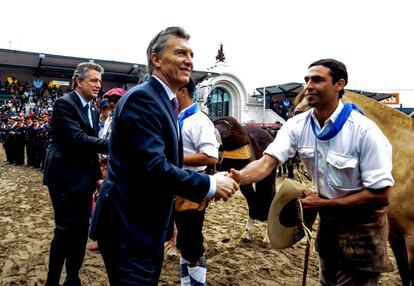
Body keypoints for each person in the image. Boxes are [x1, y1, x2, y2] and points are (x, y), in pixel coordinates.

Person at [90, 26, 239, 285]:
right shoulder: (144, 99)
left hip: (144, 223)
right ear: (156, 59)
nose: (189, 60)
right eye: (180, 52)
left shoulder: (163, 100)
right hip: (129, 227)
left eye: (191, 54)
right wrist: (211, 184)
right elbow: (152, 166)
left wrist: (167, 218)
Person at [230, 58, 394, 285]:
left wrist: (323, 204)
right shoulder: (297, 126)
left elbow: (381, 195)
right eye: (306, 80)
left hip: (363, 231)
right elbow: (267, 163)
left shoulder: (365, 132)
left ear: (339, 84)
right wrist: (239, 177)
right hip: (328, 226)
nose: (308, 86)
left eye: (317, 80)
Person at [43, 62, 108, 286]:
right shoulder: (64, 104)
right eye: (93, 80)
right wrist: (113, 144)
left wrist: (97, 174)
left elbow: (89, 149)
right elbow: (76, 139)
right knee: (64, 231)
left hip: (84, 179)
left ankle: (72, 277)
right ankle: (52, 280)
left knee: (81, 231)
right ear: (78, 81)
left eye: (99, 81)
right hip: (63, 178)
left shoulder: (92, 109)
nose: (98, 85)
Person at [175, 77, 219, 286]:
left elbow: (211, 157)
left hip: (191, 186)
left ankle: (196, 283)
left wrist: (173, 158)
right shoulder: (177, 117)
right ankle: (187, 283)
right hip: (175, 184)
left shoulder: (199, 120)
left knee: (191, 241)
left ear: (183, 91)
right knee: (183, 240)